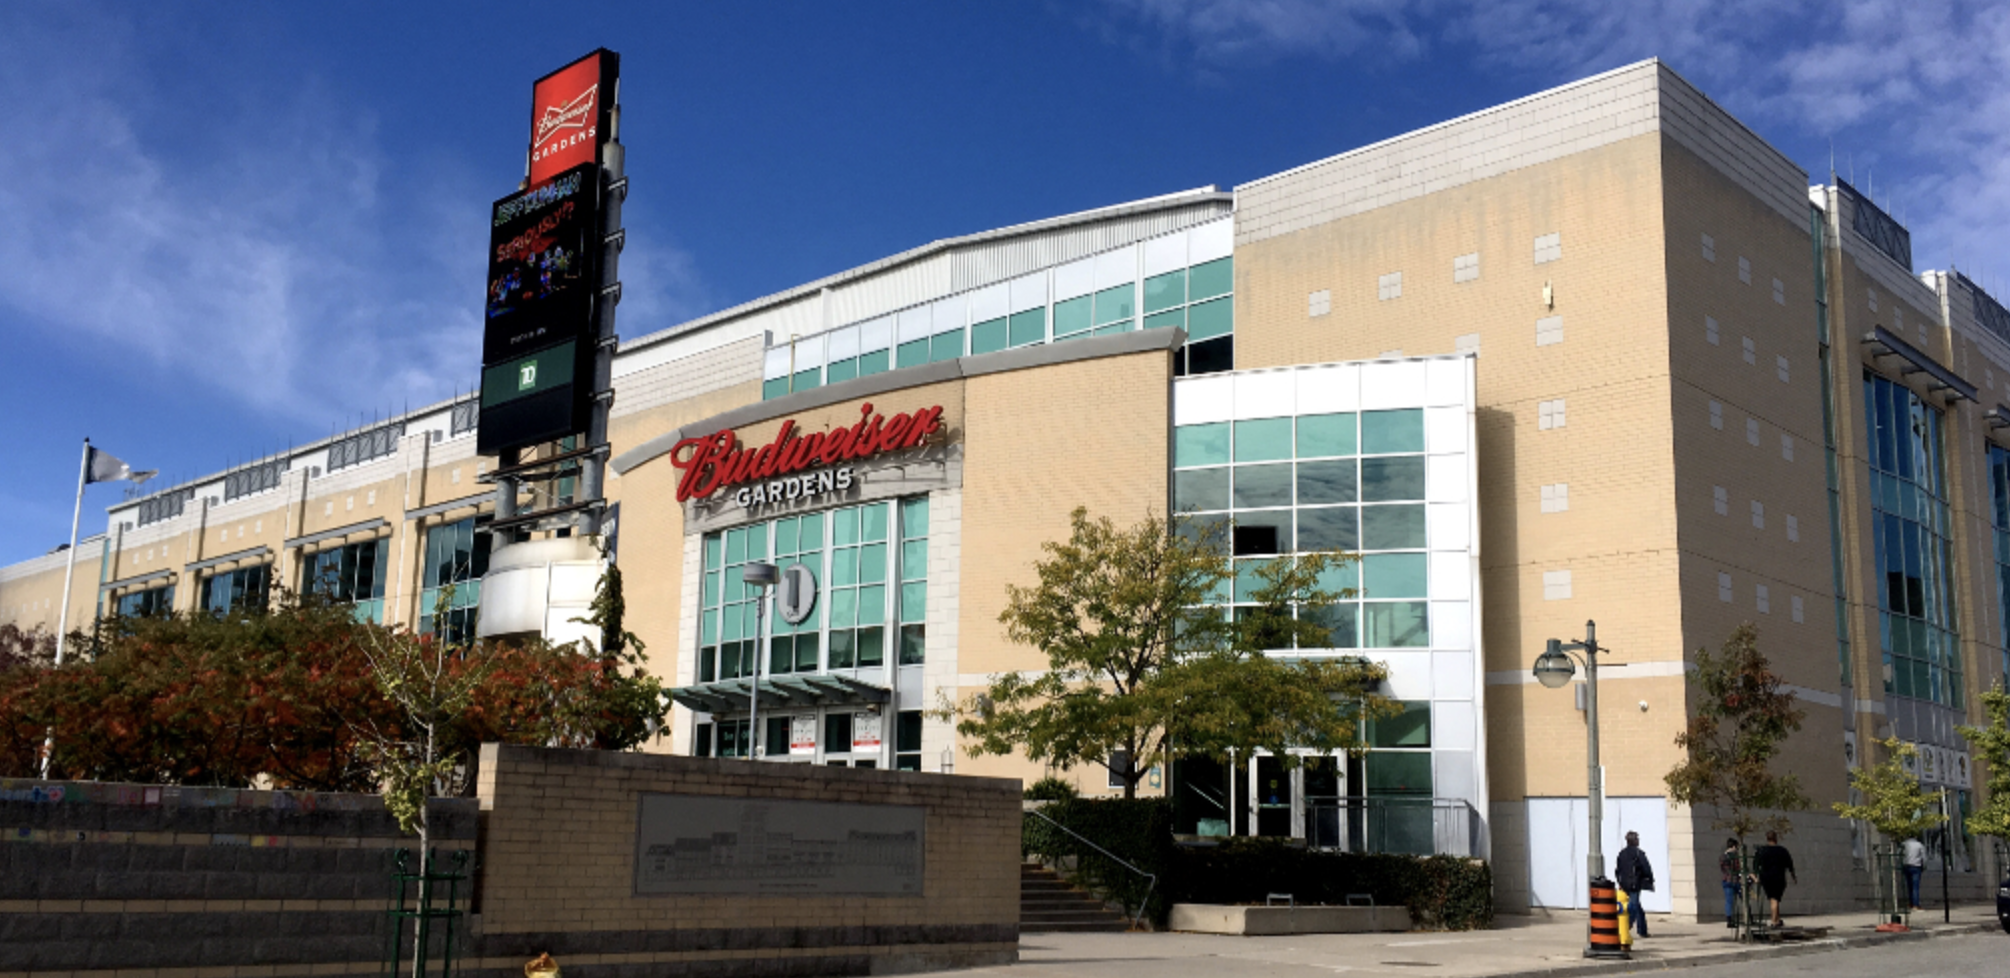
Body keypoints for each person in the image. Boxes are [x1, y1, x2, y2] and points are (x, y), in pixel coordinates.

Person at [1752, 830, 1797, 927]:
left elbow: (1756, 864)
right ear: (1776, 838)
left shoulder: (1762, 851)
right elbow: (1790, 865)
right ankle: (1774, 921)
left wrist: (1755, 875)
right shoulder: (1782, 851)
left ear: (1767, 838)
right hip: (1779, 877)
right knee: (1775, 899)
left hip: (1766, 877)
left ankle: (1777, 919)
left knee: (1773, 899)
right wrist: (1793, 876)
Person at [1615, 830, 1654, 938]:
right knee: (1633, 907)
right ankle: (1625, 928)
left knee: (1637, 907)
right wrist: (1649, 879)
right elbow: (1646, 868)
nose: (1638, 841)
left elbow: (1618, 870)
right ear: (1634, 840)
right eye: (1637, 839)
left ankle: (1643, 930)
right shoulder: (1638, 853)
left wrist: (1620, 881)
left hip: (1625, 884)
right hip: (1634, 884)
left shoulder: (1622, 854)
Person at [1719, 838, 1743, 928]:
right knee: (1743, 898)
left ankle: (1729, 919)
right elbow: (1738, 869)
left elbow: (1723, 868)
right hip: (1736, 880)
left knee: (1729, 901)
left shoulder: (1722, 856)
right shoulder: (1735, 857)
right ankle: (1748, 917)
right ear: (1733, 846)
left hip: (1726, 880)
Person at [1901, 835, 1927, 912]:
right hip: (1916, 866)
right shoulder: (1919, 845)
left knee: (1909, 886)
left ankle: (1910, 903)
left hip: (1906, 866)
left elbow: (1900, 854)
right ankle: (1915, 905)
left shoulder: (1904, 844)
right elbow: (1924, 857)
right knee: (1915, 887)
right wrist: (1924, 866)